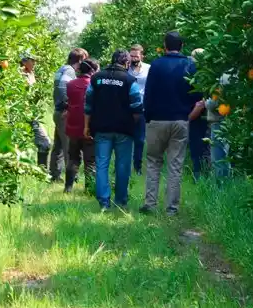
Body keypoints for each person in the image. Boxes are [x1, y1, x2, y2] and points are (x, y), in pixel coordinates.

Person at [140, 32, 202, 216]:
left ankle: (150, 204)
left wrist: (148, 117)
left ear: (165, 45)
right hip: (180, 120)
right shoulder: (190, 65)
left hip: (157, 120)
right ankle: (172, 208)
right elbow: (198, 95)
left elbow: (148, 94)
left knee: (153, 162)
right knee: (175, 165)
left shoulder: (156, 64)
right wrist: (188, 115)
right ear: (182, 45)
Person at [84, 50, 143, 211]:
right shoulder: (129, 80)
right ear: (127, 63)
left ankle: (104, 202)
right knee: (123, 165)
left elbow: (88, 104)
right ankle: (121, 200)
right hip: (124, 129)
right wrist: (133, 123)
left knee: (102, 164)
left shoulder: (96, 78)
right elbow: (137, 106)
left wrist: (86, 126)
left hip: (101, 129)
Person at [58, 59, 99, 194]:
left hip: (73, 125)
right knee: (90, 160)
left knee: (73, 158)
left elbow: (70, 102)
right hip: (89, 126)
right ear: (93, 71)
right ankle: (89, 189)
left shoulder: (70, 84)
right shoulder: (94, 85)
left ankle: (68, 187)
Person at [50, 48, 88, 182]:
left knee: (58, 145)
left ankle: (54, 174)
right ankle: (71, 178)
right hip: (63, 113)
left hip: (57, 111)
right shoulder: (69, 71)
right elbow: (62, 88)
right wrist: (68, 106)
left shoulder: (62, 68)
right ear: (80, 60)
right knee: (68, 147)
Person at [20, 54, 51, 169]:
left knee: (45, 144)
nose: (34, 63)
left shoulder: (31, 73)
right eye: (32, 60)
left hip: (32, 114)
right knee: (44, 143)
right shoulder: (19, 75)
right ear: (24, 62)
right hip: (23, 114)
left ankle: (41, 172)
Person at [188, 48, 210, 180]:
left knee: (197, 148)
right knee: (205, 148)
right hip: (208, 114)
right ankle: (203, 176)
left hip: (197, 114)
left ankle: (199, 177)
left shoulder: (193, 73)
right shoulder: (209, 73)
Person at [205, 72, 233, 180]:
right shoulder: (237, 76)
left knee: (218, 157)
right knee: (225, 154)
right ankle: (226, 182)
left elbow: (213, 103)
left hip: (219, 121)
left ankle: (221, 183)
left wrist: (206, 102)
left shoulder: (224, 77)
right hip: (231, 120)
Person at [128, 44, 150, 175]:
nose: (133, 58)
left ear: (142, 56)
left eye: (136, 56)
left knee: (140, 139)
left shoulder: (148, 68)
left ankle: (138, 166)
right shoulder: (125, 68)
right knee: (126, 137)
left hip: (142, 107)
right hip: (127, 107)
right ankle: (123, 165)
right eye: (131, 56)